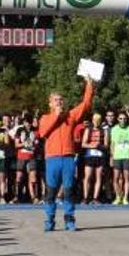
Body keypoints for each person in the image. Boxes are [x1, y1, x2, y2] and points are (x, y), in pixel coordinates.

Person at [38, 76, 95, 231]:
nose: (59, 102)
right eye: (56, 100)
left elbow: (86, 104)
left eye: (61, 100)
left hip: (68, 158)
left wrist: (89, 85)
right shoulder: (45, 118)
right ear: (50, 103)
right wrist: (56, 116)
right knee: (51, 192)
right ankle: (49, 220)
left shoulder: (70, 116)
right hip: (52, 159)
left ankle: (69, 220)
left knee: (69, 190)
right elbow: (43, 133)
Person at [110, 111, 129, 205]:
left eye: (124, 118)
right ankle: (118, 196)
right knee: (115, 179)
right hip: (117, 156)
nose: (122, 120)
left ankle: (125, 198)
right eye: (120, 118)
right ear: (117, 119)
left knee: (126, 178)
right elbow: (112, 144)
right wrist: (111, 157)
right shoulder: (114, 129)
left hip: (126, 156)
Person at [81, 113, 108, 204]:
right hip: (90, 156)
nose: (96, 122)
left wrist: (99, 146)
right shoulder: (88, 130)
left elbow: (106, 145)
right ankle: (85, 197)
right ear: (92, 120)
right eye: (94, 120)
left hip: (100, 156)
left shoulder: (104, 131)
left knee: (98, 177)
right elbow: (83, 144)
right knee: (87, 177)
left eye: (98, 120)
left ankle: (95, 198)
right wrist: (92, 145)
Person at [14, 118, 41, 204]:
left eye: (29, 122)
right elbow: (16, 145)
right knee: (19, 177)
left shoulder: (35, 131)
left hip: (31, 157)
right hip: (21, 156)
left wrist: (34, 145)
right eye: (26, 122)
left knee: (33, 177)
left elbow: (37, 144)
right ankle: (17, 196)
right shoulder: (20, 130)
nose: (27, 124)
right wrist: (24, 144)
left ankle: (34, 197)